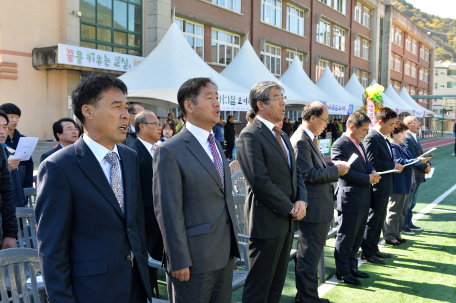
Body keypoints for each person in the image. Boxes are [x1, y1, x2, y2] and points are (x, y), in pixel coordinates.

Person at [35, 73, 152, 303]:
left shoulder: (128, 156)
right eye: (116, 107)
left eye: (126, 107)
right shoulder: (58, 167)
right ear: (88, 111)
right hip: (92, 291)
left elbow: (134, 222)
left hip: (134, 284)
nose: (125, 115)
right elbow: (52, 250)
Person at [153, 77, 240, 303]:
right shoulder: (170, 150)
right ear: (189, 106)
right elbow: (168, 210)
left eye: (217, 98)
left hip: (224, 252)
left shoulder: (215, 145)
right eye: (209, 98)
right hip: (193, 259)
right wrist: (178, 258)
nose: (217, 104)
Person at [236, 81, 307, 303]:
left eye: (282, 97)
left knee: (276, 285)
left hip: (287, 221)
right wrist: (289, 207)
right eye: (277, 98)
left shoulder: (283, 135)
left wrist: (302, 201)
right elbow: (259, 181)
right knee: (259, 287)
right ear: (261, 104)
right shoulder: (250, 135)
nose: (283, 102)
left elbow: (297, 173)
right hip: (266, 221)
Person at [291, 102, 350, 302]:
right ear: (313, 118)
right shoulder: (301, 140)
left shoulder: (308, 138)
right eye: (324, 120)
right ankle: (308, 298)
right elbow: (306, 174)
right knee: (309, 257)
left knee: (308, 255)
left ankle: (305, 295)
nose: (327, 124)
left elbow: (314, 168)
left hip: (317, 206)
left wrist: (333, 165)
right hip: (313, 208)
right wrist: (336, 170)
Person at [331, 112, 381, 286]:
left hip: (362, 197)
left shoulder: (358, 143)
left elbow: (366, 164)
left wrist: (372, 170)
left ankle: (352, 267)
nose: (365, 133)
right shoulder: (340, 144)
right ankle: (342, 271)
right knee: (346, 237)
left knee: (356, 237)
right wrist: (367, 178)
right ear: (351, 127)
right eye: (364, 130)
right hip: (350, 198)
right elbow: (344, 171)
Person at [361, 107, 404, 264]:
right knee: (373, 220)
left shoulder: (383, 137)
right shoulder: (372, 137)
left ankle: (373, 248)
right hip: (377, 186)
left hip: (385, 185)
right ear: (380, 122)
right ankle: (367, 251)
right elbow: (372, 162)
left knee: (379, 221)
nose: (393, 128)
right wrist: (393, 165)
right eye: (391, 124)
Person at [129, 110, 164, 298]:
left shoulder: (161, 148)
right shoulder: (132, 152)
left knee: (160, 258)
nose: (160, 128)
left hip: (164, 217)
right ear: (141, 126)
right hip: (146, 220)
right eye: (155, 124)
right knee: (146, 263)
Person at [384, 121, 430, 247]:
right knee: (394, 211)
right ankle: (389, 235)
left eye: (404, 133)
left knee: (402, 211)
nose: (404, 135)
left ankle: (397, 234)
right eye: (401, 133)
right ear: (393, 133)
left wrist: (420, 160)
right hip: (398, 183)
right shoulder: (393, 146)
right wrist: (418, 160)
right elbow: (400, 162)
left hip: (407, 182)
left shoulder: (401, 146)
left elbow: (408, 160)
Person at [402, 116, 432, 234]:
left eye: (418, 121)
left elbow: (421, 155)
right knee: (408, 202)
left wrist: (428, 163)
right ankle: (404, 225)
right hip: (412, 175)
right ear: (408, 125)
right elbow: (413, 158)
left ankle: (409, 223)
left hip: (418, 175)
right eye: (415, 122)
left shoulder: (413, 137)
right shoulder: (407, 138)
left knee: (412, 202)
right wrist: (425, 167)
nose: (418, 123)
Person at [0, 103, 34, 188]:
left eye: (17, 117)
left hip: (21, 186)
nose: (15, 120)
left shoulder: (24, 140)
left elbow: (29, 165)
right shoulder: (1, 140)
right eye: (11, 117)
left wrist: (28, 186)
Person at [0, 109, 19, 248]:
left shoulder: (1, 151)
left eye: (4, 127)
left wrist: (10, 234)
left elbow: (7, 194)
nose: (2, 131)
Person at [0, 110, 26, 207]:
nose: (2, 131)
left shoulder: (10, 152)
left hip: (13, 209)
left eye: (5, 127)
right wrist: (5, 169)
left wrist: (21, 201)